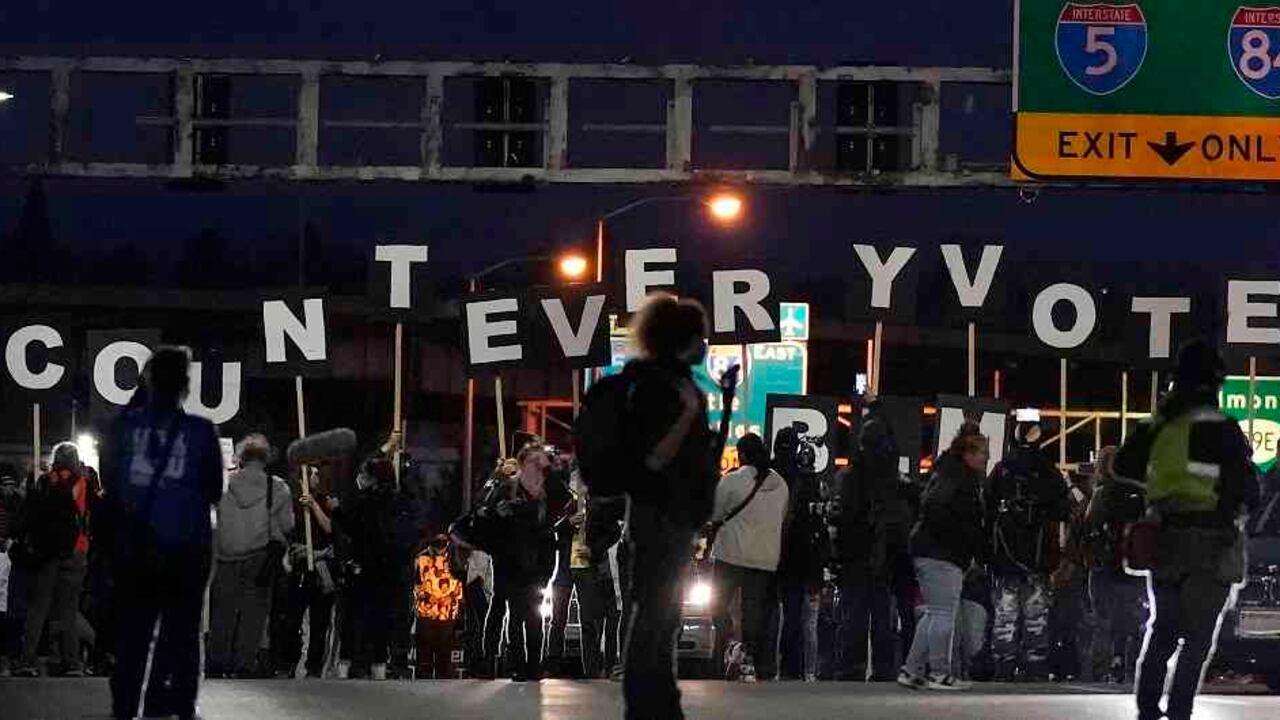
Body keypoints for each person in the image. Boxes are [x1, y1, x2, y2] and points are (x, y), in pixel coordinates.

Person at [1115, 339, 1259, 720]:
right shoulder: (1222, 428)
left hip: (1164, 537)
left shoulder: (1159, 424)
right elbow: (1248, 489)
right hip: (1211, 540)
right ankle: (1179, 710)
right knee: (1197, 638)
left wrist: (1158, 485)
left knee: (1163, 626)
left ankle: (1147, 706)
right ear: (1216, 382)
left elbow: (1122, 466)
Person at [101, 346, 223, 720]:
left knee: (133, 637)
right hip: (186, 549)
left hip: (136, 549)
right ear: (186, 385)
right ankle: (179, 706)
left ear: (147, 382)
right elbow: (214, 489)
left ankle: (124, 708)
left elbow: (109, 480)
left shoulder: (123, 427)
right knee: (182, 637)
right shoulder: (200, 431)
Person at [619, 294, 724, 719]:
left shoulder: (675, 385)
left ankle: (659, 696)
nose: (705, 344)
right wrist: (686, 420)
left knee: (664, 614)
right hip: (659, 518)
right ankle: (647, 699)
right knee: (654, 613)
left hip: (673, 518)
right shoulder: (661, 390)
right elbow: (652, 458)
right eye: (700, 336)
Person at [901, 421, 988, 691]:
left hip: (932, 551)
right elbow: (939, 511)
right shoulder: (958, 478)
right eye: (982, 453)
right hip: (942, 554)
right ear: (968, 454)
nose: (986, 458)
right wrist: (961, 543)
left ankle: (911, 669)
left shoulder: (949, 472)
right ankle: (939, 672)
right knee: (943, 614)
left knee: (934, 613)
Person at [985, 420, 1070, 681]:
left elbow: (986, 510)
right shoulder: (1048, 472)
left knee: (1005, 616)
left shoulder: (1002, 471)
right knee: (1036, 617)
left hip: (1006, 557)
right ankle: (1035, 665)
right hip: (1038, 557)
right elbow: (1063, 510)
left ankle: (1004, 666)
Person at [836, 403, 916, 682]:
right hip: (885, 556)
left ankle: (852, 666)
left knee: (854, 616)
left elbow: (844, 517)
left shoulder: (851, 478)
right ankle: (884, 668)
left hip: (856, 555)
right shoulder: (893, 479)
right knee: (884, 618)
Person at [207, 434, 295, 678]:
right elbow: (287, 525)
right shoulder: (277, 487)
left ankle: (216, 663)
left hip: (226, 555)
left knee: (222, 613)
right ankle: (244, 664)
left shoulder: (223, 485)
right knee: (253, 614)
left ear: (241, 459)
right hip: (259, 557)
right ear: (266, 460)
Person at [13, 442, 98, 677]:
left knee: (39, 607)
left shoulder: (45, 480)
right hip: (77, 549)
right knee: (69, 609)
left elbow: (31, 512)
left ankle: (26, 660)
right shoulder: (84, 483)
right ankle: (72, 663)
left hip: (48, 550)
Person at [710, 432, 789, 682]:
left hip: (731, 554)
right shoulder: (781, 485)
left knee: (717, 604)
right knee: (753, 610)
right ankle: (748, 658)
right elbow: (783, 516)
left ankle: (728, 644)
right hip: (764, 558)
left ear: (742, 454)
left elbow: (715, 512)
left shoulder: (732, 481)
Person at [334, 432, 411, 681]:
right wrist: (386, 448)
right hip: (390, 571)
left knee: (354, 617)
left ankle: (347, 662)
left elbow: (353, 528)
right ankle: (379, 663)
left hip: (364, 568)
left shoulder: (366, 502)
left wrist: (336, 512)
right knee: (382, 618)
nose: (360, 478)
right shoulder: (398, 500)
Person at [483, 443, 556, 682]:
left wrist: (547, 566)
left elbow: (550, 528)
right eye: (534, 462)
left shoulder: (546, 491)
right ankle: (518, 666)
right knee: (515, 617)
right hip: (511, 563)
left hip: (538, 563)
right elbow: (487, 516)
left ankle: (535, 665)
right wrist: (499, 514)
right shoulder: (506, 488)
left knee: (535, 617)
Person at [1083, 447, 1147, 684]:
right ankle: (1129, 665)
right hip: (1134, 568)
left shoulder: (1103, 494)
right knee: (1133, 620)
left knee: (1102, 620)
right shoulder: (1142, 493)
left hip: (1105, 567)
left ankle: (1102, 669)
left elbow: (1089, 528)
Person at [273, 464, 340, 679]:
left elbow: (330, 529)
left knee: (320, 622)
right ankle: (287, 663)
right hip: (299, 569)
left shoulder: (325, 501)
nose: (315, 477)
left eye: (316, 473)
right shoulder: (292, 503)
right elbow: (286, 532)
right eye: (311, 474)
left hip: (321, 570)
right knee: (292, 620)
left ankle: (314, 666)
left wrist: (314, 506)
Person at [774, 426, 827, 682]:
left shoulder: (774, 476)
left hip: (782, 559)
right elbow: (819, 527)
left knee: (789, 617)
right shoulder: (810, 483)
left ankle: (786, 667)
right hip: (806, 560)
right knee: (807, 623)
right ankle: (806, 671)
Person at [412, 532, 464, 679]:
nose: (441, 543)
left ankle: (444, 679)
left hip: (447, 611)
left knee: (445, 650)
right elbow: (416, 583)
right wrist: (427, 597)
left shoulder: (454, 558)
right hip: (427, 610)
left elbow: (460, 582)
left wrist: (452, 598)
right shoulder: (421, 558)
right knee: (425, 651)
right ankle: (423, 678)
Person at [0, 471, 26, 677]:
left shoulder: (19, 504)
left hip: (10, 556)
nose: (8, 488)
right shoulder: (12, 506)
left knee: (9, 604)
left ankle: (11, 655)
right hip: (4, 554)